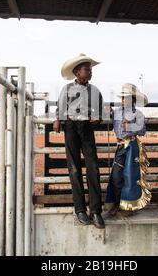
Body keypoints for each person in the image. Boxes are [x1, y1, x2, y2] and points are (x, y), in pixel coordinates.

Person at [53, 54, 105, 229]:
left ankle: (96, 211)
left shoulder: (95, 91)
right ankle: (80, 210)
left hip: (87, 128)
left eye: (90, 69)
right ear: (77, 72)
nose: (90, 72)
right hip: (71, 128)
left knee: (93, 168)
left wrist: (97, 118)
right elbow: (60, 108)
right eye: (87, 69)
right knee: (74, 169)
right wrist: (57, 119)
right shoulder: (67, 89)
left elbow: (101, 113)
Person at [105, 83, 151, 218]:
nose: (124, 100)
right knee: (117, 175)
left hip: (131, 146)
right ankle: (116, 202)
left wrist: (130, 126)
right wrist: (106, 112)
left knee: (130, 175)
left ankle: (128, 206)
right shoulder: (117, 112)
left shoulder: (138, 114)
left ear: (133, 99)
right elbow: (109, 122)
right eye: (123, 98)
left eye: (127, 98)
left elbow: (142, 131)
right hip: (120, 146)